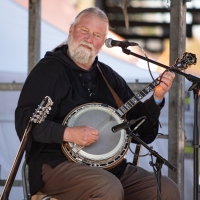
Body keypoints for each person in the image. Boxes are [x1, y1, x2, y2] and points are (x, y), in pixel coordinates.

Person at [15, 7, 181, 200]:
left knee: (166, 190)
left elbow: (143, 134)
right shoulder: (48, 71)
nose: (89, 39)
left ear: (102, 43)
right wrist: (69, 133)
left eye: (96, 35)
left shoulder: (108, 76)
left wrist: (156, 99)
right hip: (56, 165)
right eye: (84, 31)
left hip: (111, 169)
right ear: (71, 30)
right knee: (107, 187)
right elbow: (25, 122)